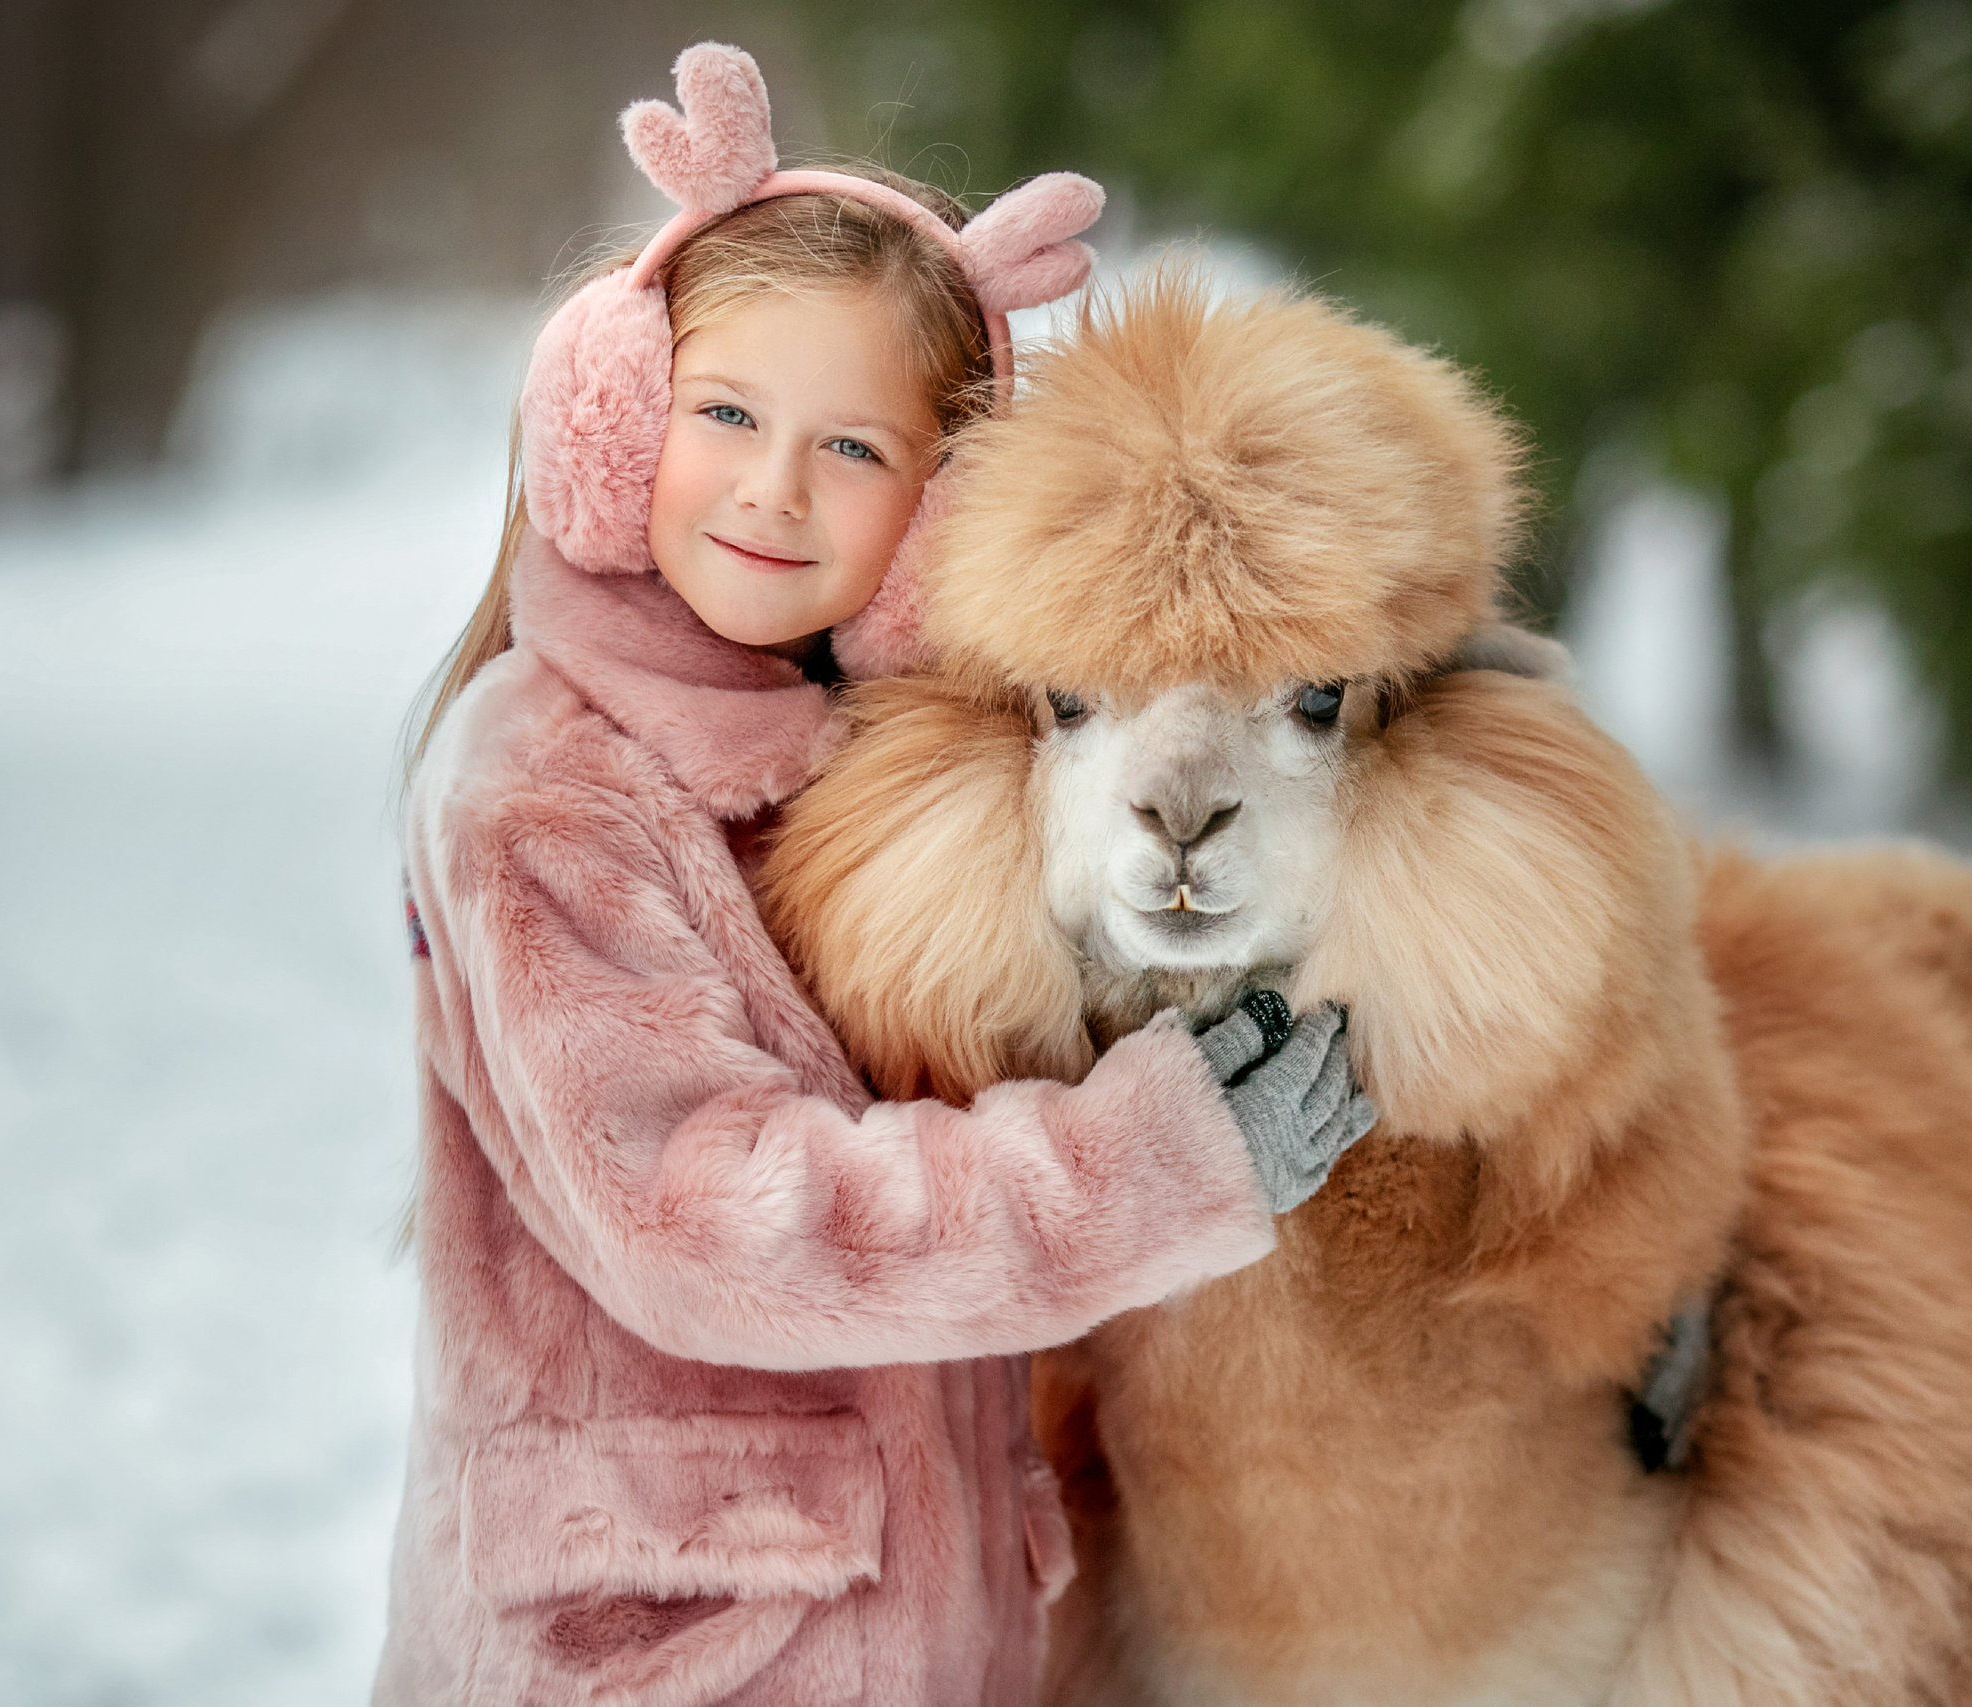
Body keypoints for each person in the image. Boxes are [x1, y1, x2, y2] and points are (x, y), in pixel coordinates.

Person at [375, 44, 1371, 1707]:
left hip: (909, 1630)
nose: (774, 489)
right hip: (672, 1654)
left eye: (853, 447)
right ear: (613, 418)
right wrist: (1148, 1168)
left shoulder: (882, 762)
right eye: (725, 415)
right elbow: (706, 1223)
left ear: (941, 514)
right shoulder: (540, 784)